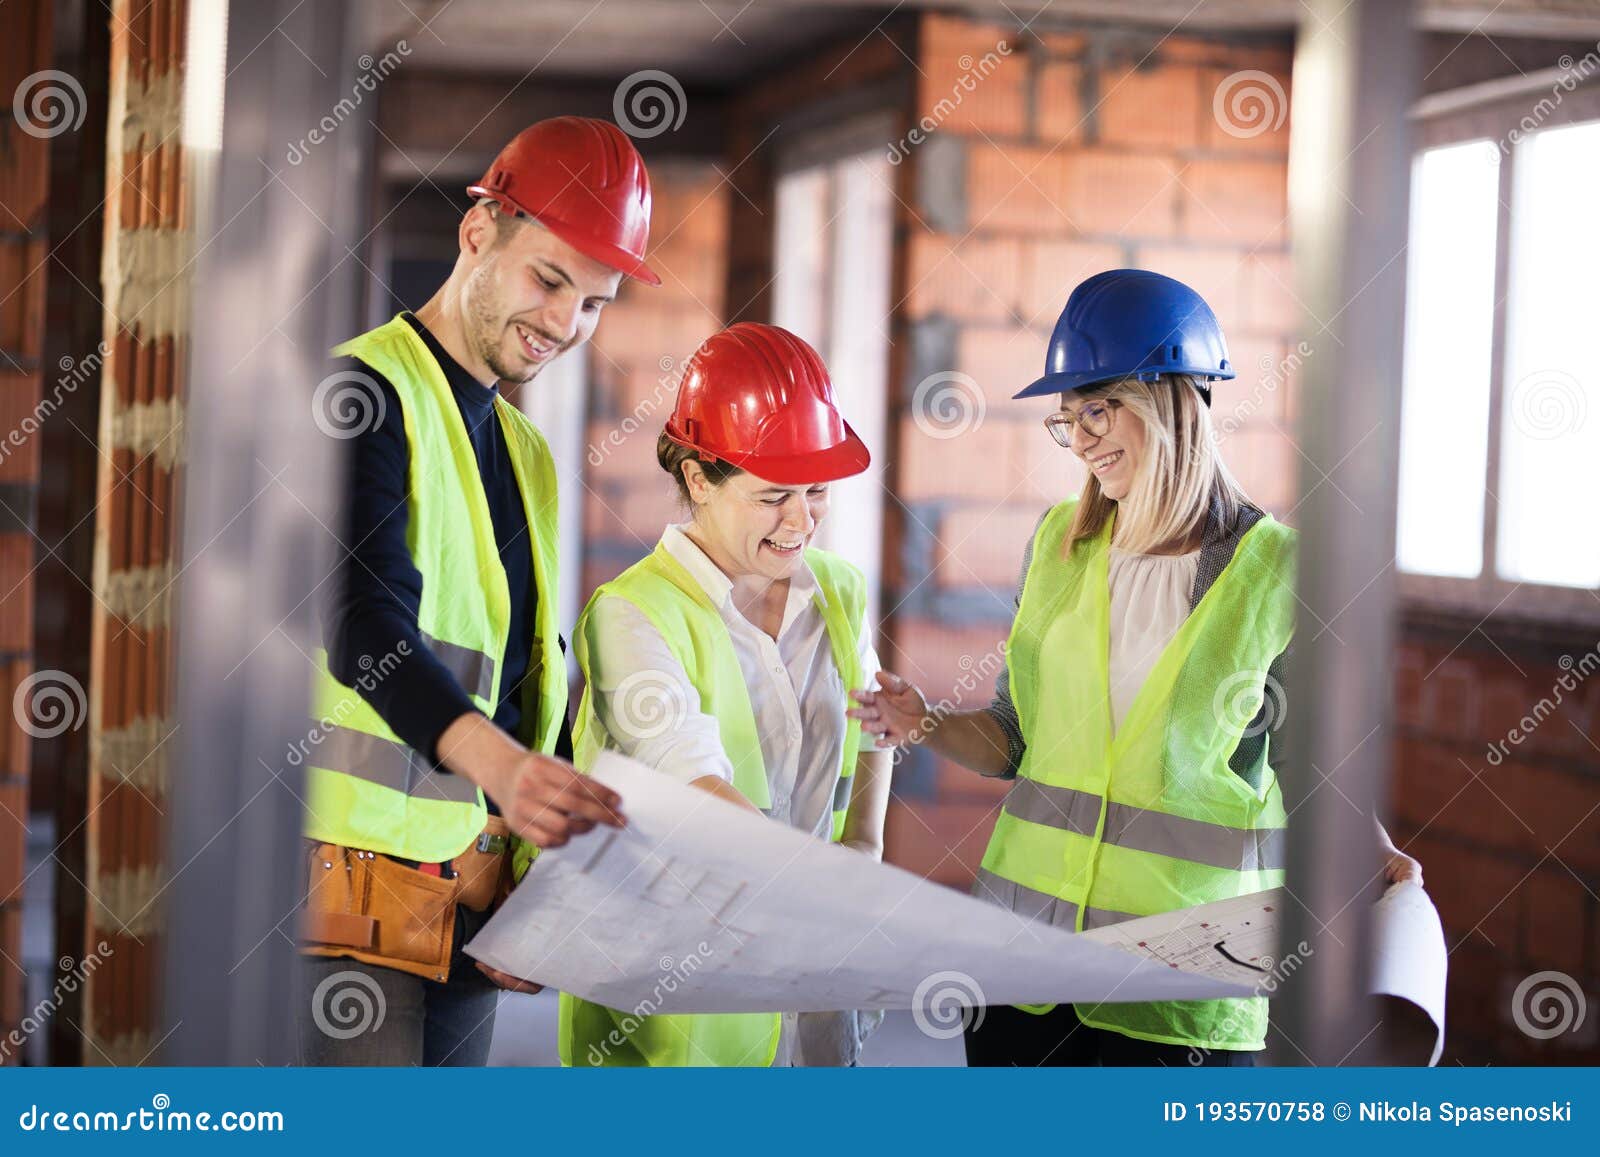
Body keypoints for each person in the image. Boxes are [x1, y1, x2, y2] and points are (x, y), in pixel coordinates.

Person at [850, 269, 1423, 1067]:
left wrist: (1376, 847)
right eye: (1067, 419)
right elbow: (1014, 739)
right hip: (1022, 973)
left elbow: (1313, 771)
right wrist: (926, 723)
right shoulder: (1058, 545)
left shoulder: (1278, 572)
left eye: (1097, 408)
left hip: (1177, 995)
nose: (1080, 438)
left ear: (1175, 397)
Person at [296, 117, 653, 1066]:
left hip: (475, 900)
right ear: (479, 232)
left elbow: (527, 677)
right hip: (351, 897)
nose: (564, 323)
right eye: (549, 278)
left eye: (594, 302)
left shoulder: (528, 452)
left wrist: (531, 865)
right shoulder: (363, 394)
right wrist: (503, 770)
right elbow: (361, 623)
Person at [562, 322, 893, 1066]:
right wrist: (830, 893)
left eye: (816, 491)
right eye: (774, 495)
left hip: (812, 983)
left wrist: (864, 846)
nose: (802, 519)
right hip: (678, 1002)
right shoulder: (632, 614)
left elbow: (873, 719)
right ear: (699, 479)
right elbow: (697, 785)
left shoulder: (836, 590)